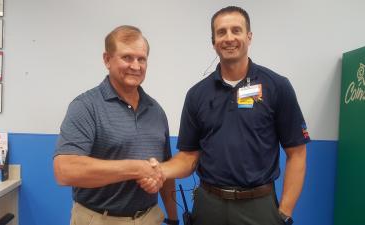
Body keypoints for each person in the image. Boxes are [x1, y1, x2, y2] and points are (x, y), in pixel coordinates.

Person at [139, 6, 310, 225]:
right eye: (221, 32)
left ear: (249, 37)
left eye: (236, 30)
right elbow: (188, 158)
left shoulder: (277, 86)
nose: (229, 38)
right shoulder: (197, 94)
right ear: (213, 42)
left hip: (258, 206)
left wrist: (284, 212)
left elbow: (297, 154)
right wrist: (160, 170)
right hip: (209, 205)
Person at [53, 25, 178, 225]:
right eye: (127, 57)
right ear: (107, 59)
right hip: (99, 219)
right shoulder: (86, 106)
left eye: (142, 59)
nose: (136, 66)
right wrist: (136, 168)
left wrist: (173, 218)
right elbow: (64, 170)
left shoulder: (156, 111)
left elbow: (165, 172)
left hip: (150, 218)